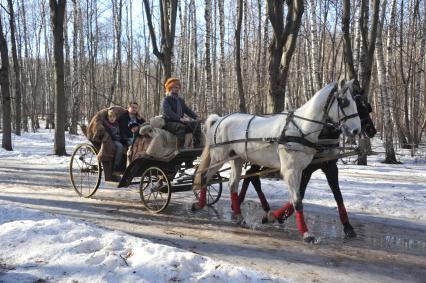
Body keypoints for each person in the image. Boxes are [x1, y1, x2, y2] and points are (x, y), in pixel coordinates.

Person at [161, 77, 202, 148]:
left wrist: (196, 117)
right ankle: (180, 148)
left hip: (180, 122)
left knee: (196, 124)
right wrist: (180, 119)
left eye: (178, 87)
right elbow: (168, 112)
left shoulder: (180, 100)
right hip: (169, 123)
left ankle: (197, 146)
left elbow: (187, 110)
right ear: (170, 87)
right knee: (180, 127)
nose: (177, 89)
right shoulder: (166, 100)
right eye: (175, 87)